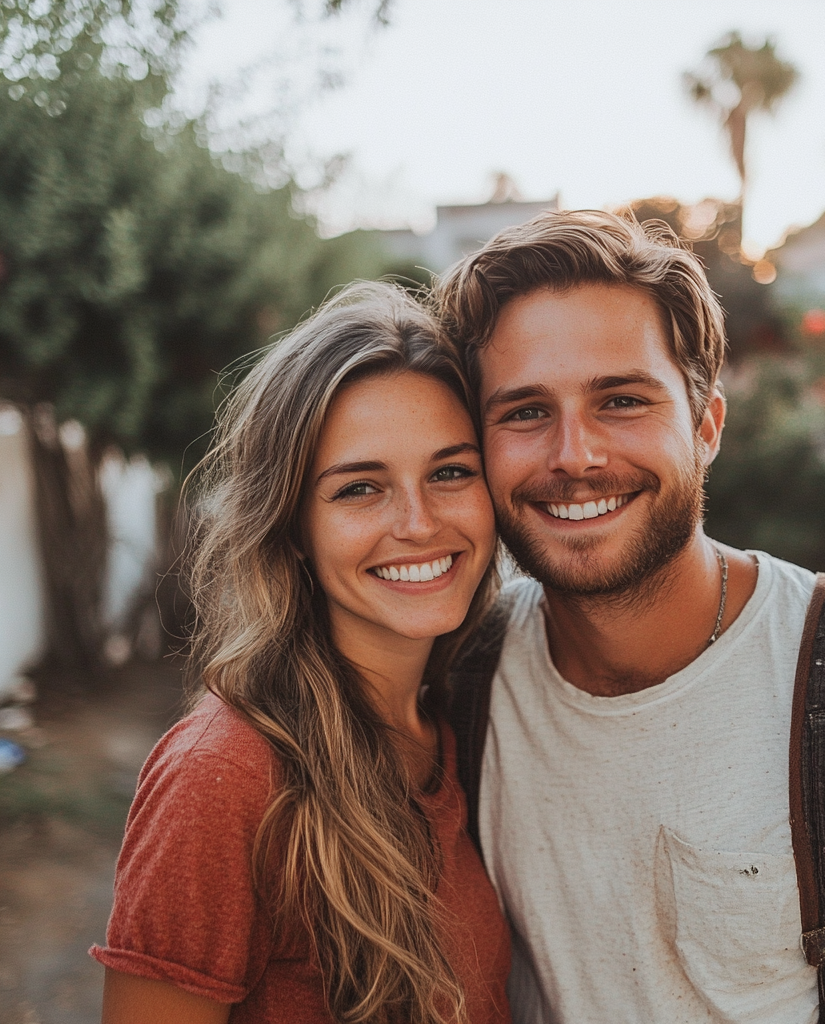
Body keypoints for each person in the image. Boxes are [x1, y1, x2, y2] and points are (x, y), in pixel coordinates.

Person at [434, 210, 825, 1024]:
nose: (574, 455)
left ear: (706, 426)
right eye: (525, 412)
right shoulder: (457, 677)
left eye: (622, 400)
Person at [91, 283, 512, 1024]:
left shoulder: (458, 723)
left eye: (450, 471)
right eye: (359, 488)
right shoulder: (224, 776)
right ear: (290, 529)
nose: (418, 523)